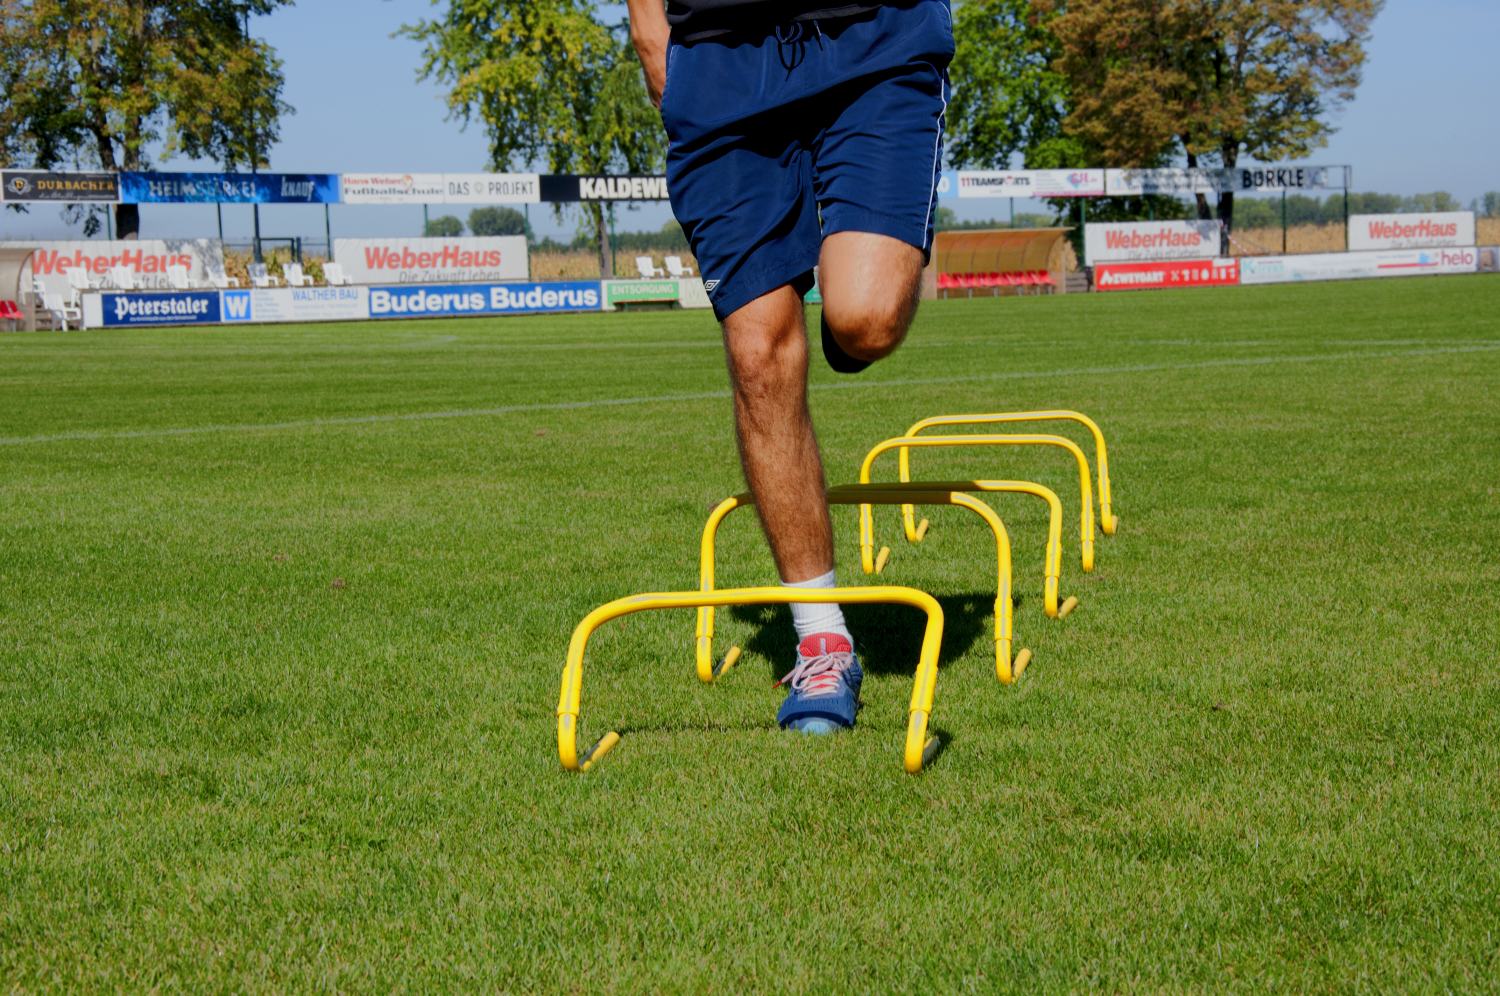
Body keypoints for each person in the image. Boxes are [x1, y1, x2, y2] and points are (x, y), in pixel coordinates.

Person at [626, 0, 953, 733]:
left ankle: (846, 324)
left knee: (865, 320)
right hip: (718, 57)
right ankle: (822, 642)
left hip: (874, 35)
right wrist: (651, 31)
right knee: (758, 356)